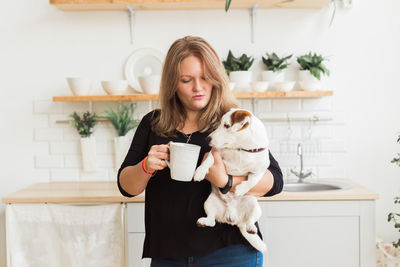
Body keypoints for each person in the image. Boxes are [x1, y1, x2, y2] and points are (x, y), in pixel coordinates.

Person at [118, 36, 283, 267]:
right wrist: (146, 166)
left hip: (229, 253)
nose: (198, 87)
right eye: (187, 80)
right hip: (168, 255)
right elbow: (126, 187)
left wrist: (226, 181)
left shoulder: (229, 121)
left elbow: (274, 181)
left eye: (205, 78)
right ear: (172, 83)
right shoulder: (153, 123)